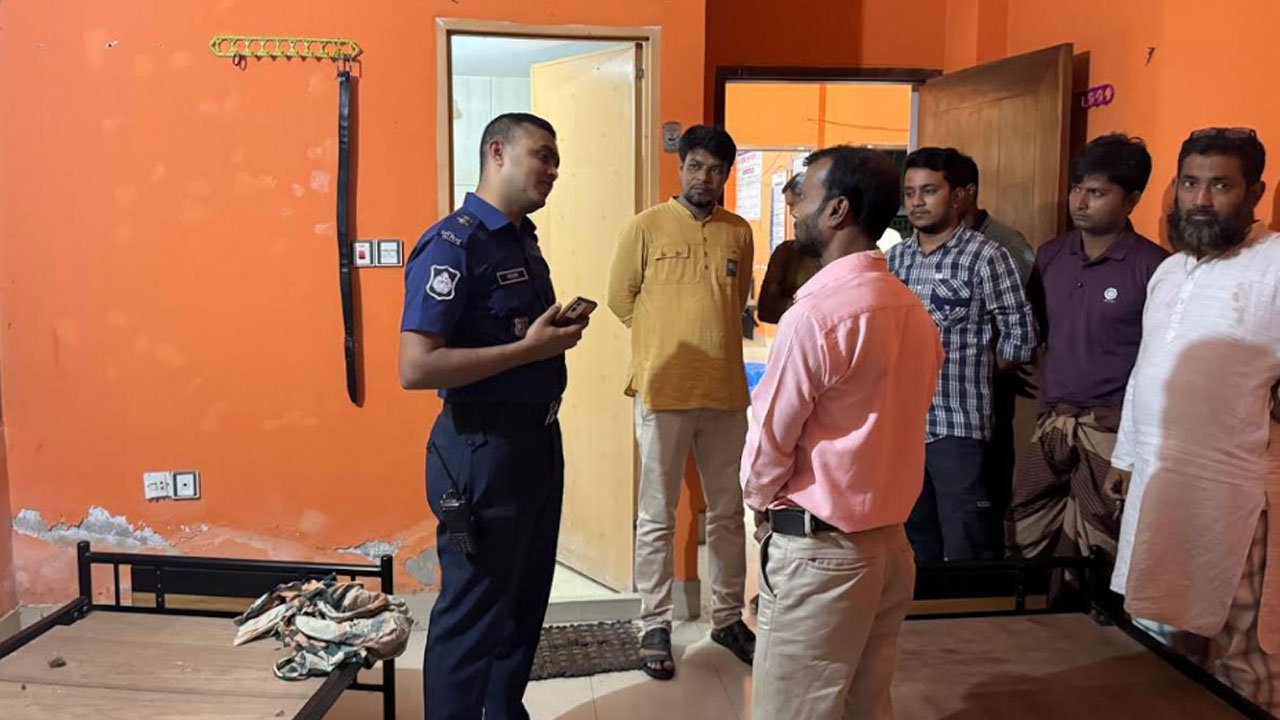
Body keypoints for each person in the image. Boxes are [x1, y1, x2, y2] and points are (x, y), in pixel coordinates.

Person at [399, 113, 589, 720]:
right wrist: (527, 351)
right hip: (481, 448)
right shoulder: (453, 244)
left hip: (535, 443)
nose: (553, 170)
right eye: (542, 155)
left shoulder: (520, 238)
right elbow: (415, 367)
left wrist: (543, 341)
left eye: (556, 159)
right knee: (474, 612)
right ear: (498, 152)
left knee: (523, 603)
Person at [743, 146, 943, 720]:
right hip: (889, 547)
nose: (794, 206)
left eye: (803, 195)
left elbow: (769, 441)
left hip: (821, 556)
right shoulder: (910, 309)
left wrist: (761, 506)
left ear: (837, 210)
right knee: (865, 706)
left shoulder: (816, 317)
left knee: (794, 710)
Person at [1108, 128, 1280, 713]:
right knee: (1159, 637)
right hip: (1159, 483)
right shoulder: (1169, 272)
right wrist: (1126, 457)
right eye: (1189, 183)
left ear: (1254, 193)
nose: (1201, 200)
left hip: (1236, 496)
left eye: (1220, 186)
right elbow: (1145, 370)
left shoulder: (1274, 264)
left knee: (1243, 655)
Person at [607, 125, 756, 679]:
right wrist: (662, 340)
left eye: (716, 170)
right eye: (696, 166)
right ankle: (654, 621)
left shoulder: (739, 232)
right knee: (657, 515)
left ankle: (728, 617)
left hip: (725, 393)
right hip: (663, 391)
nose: (704, 178)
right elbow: (620, 298)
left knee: (728, 512)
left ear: (726, 175)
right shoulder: (646, 227)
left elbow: (735, 302)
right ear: (680, 166)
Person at [1007, 134, 1167, 563]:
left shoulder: (1154, 267)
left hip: (1112, 430)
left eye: (1096, 192)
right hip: (1053, 421)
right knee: (1027, 532)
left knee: (1100, 546)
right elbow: (1036, 333)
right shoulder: (1051, 255)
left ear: (1131, 200)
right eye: (1077, 188)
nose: (1080, 202)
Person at [887, 147, 1037, 563]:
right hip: (903, 425)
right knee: (912, 544)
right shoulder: (895, 259)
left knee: (966, 544)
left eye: (929, 191)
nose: (917, 202)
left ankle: (969, 610)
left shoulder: (987, 256)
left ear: (956, 196)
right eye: (910, 192)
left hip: (959, 424)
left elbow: (1021, 335)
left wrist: (979, 368)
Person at [951, 152, 1037, 529]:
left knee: (984, 492)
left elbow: (1024, 317)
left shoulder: (1004, 244)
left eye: (934, 190)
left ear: (966, 193)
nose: (920, 202)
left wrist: (995, 363)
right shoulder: (920, 250)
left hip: (988, 388)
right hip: (941, 396)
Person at [757, 173, 821, 324]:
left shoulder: (841, 251)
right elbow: (767, 309)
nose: (792, 213)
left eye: (794, 204)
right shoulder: (786, 252)